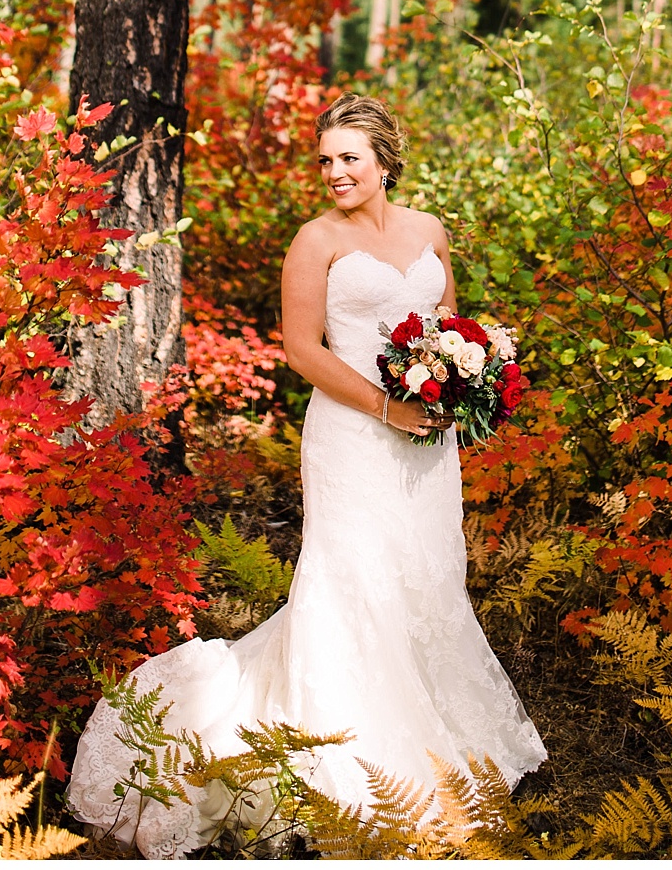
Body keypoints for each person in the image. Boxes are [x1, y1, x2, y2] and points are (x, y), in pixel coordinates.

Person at [66, 92, 546, 856]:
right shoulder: (314, 241)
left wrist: (462, 382)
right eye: (325, 160)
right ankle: (350, 760)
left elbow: (451, 324)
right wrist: (389, 411)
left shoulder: (430, 231)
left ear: (385, 160)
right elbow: (303, 349)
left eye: (349, 158)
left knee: (424, 575)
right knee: (353, 580)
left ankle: (444, 742)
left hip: (428, 440)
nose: (334, 172)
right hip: (355, 434)